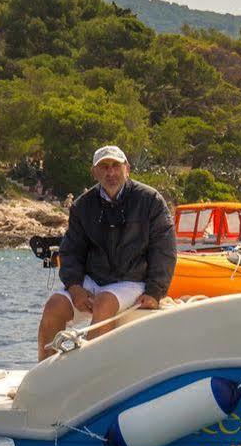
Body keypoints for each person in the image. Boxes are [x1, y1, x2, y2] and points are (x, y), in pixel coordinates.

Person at [38, 145, 176, 360]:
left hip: (132, 279)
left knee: (104, 303)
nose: (110, 172)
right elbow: (71, 251)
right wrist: (75, 287)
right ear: (94, 172)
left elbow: (164, 248)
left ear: (127, 168)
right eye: (103, 167)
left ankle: (90, 379)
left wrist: (155, 291)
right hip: (94, 279)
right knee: (54, 306)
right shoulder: (82, 206)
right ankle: (45, 381)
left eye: (115, 166)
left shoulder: (150, 200)